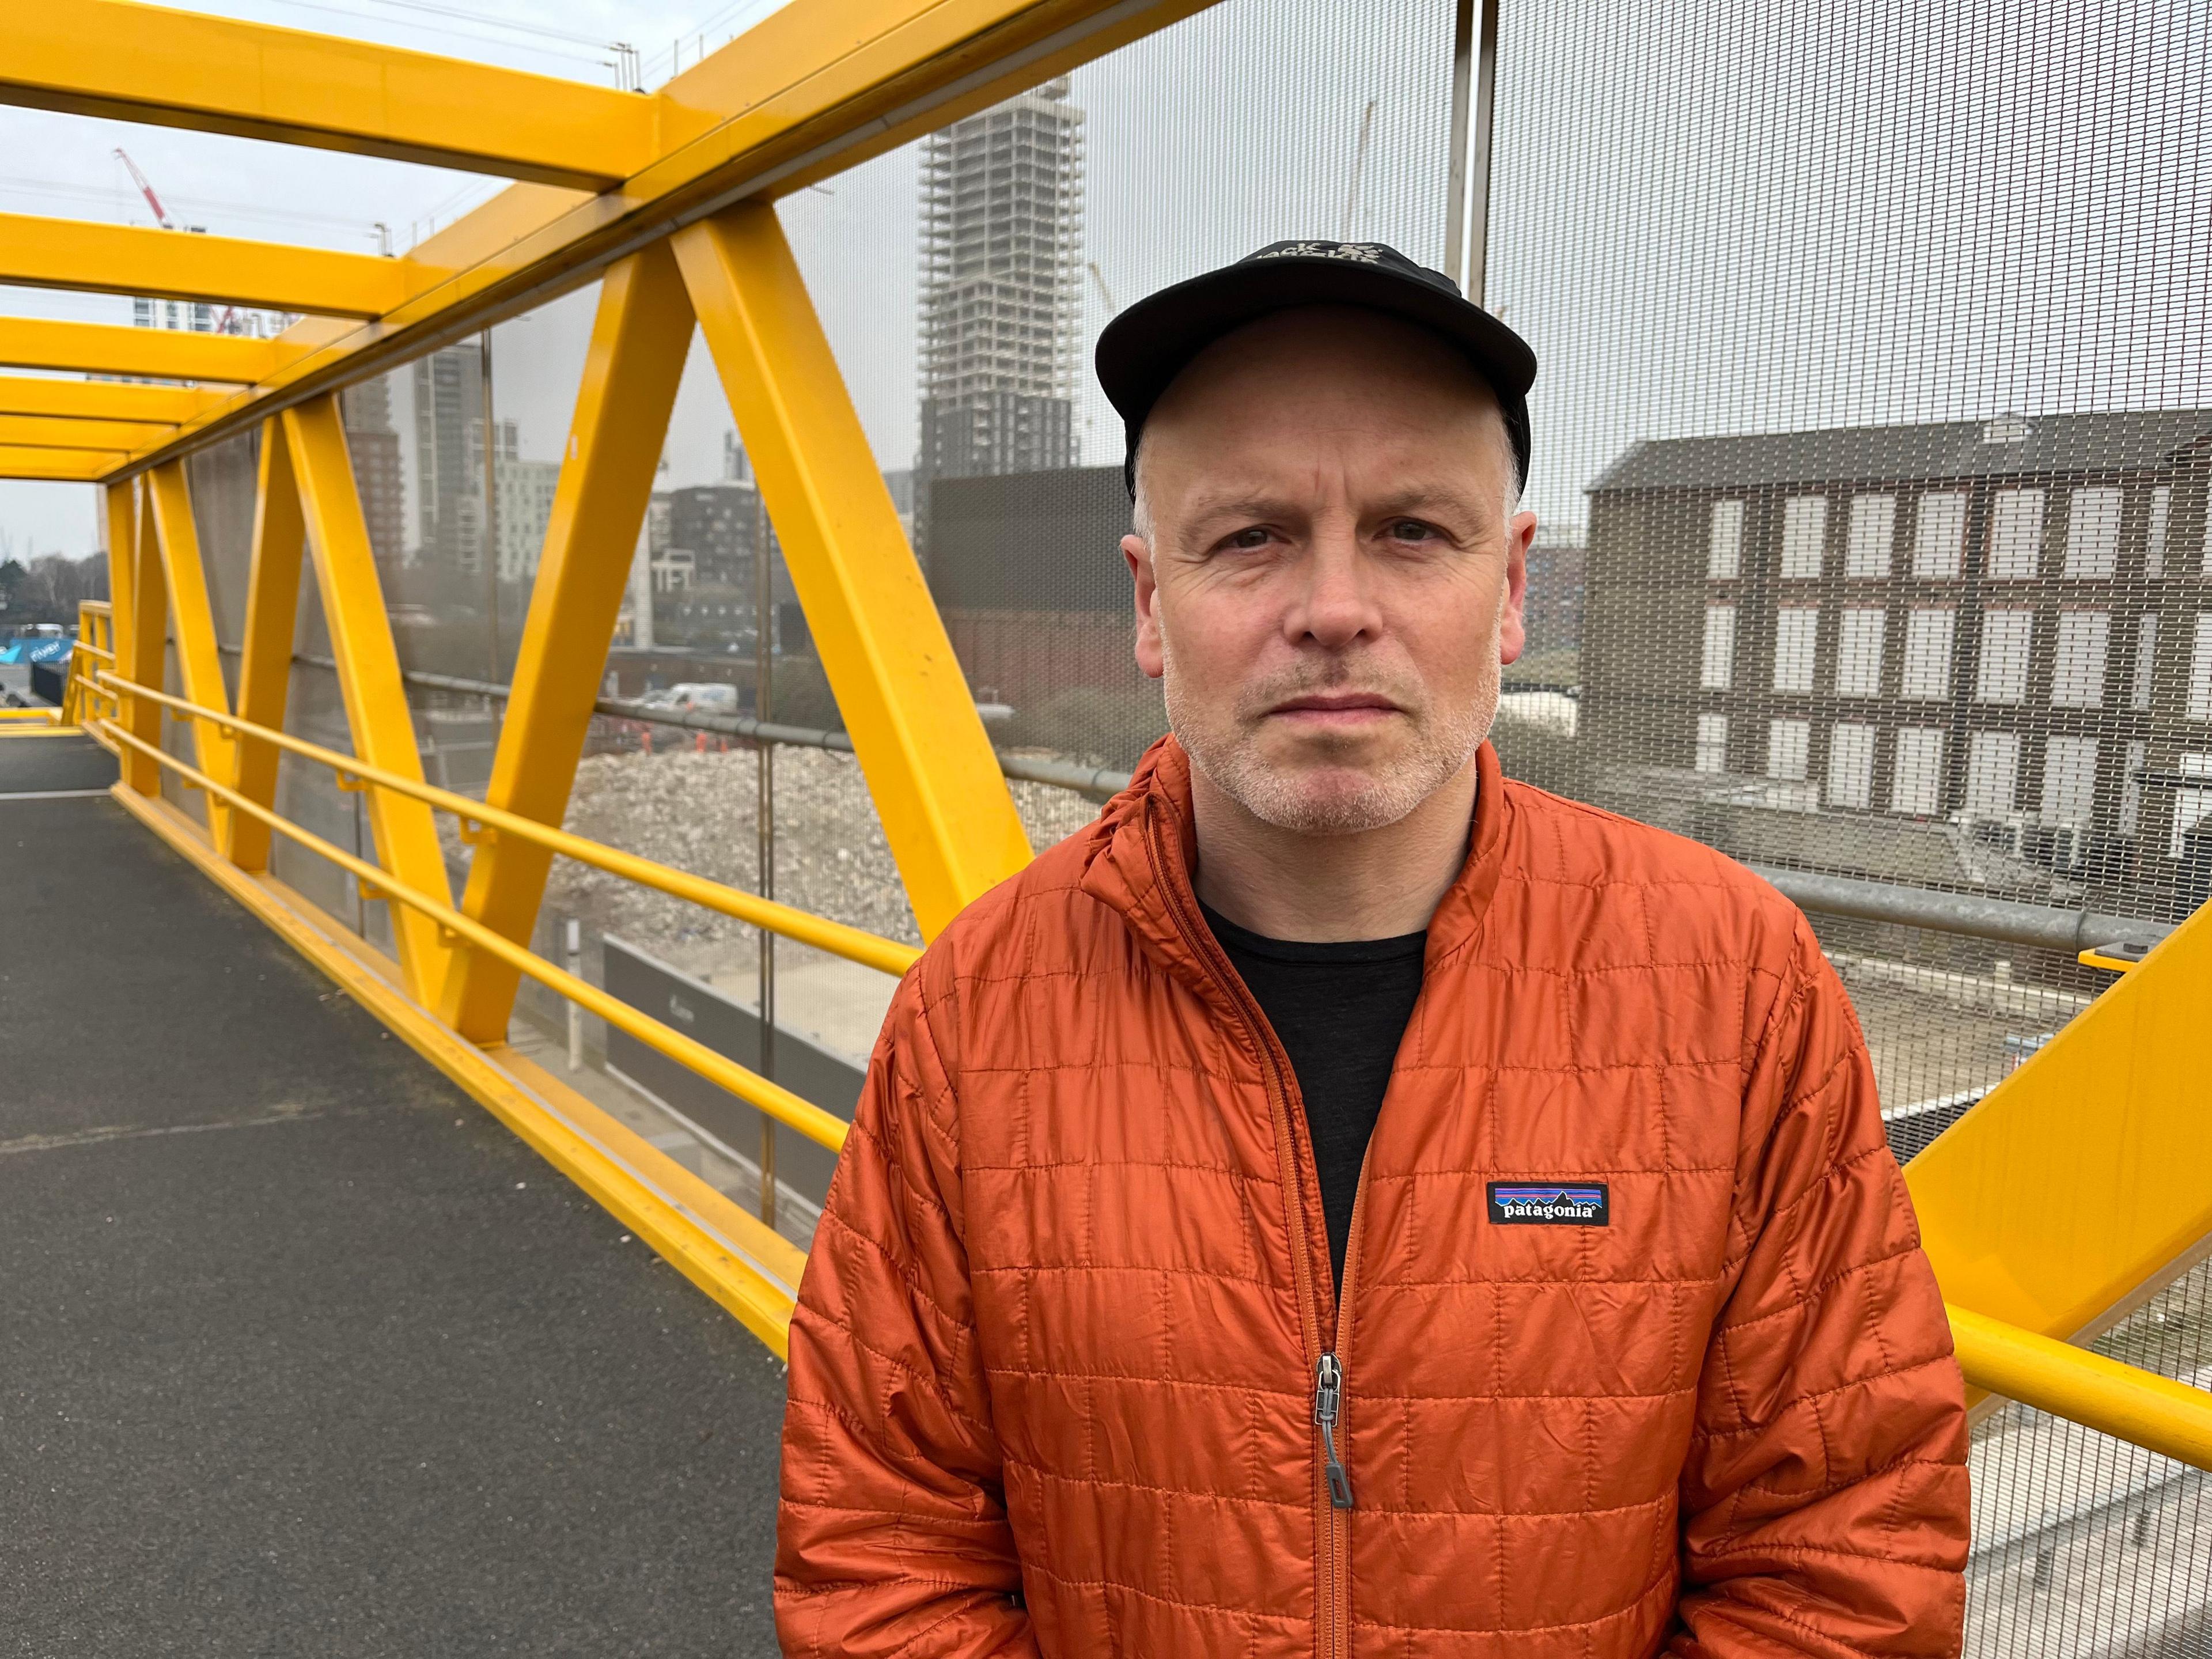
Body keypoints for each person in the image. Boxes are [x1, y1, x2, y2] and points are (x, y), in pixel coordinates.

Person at [774, 241, 1970, 1656]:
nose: (1334, 606)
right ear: (1152, 604)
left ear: (1513, 587)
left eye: (1412, 530)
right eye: (1252, 536)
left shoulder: (1734, 982)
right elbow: (884, 1554)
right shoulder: (975, 1013)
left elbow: (1842, 1553)